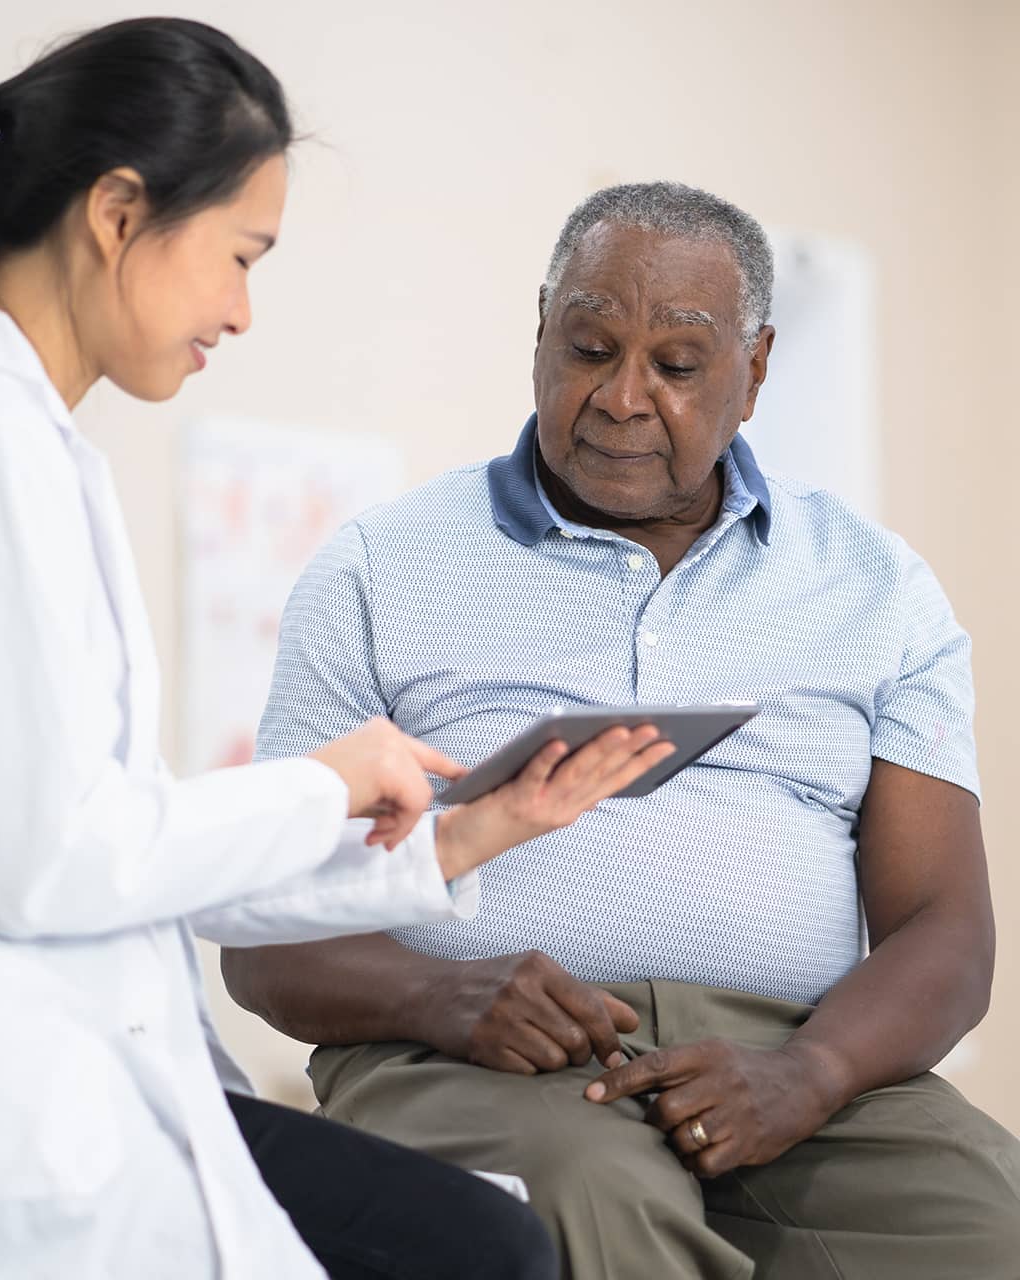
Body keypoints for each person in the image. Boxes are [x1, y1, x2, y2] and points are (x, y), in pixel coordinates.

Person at [0, 21, 679, 1280]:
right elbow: (48, 858)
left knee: (478, 1238)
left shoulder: (14, 437)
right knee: (479, 1246)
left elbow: (106, 842)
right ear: (118, 214)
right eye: (239, 256)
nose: (240, 311)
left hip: (18, 1054)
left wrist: (460, 835)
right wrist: (328, 779)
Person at [223, 181, 1020, 1279]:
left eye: (677, 366)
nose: (621, 397)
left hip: (789, 1053)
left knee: (989, 1219)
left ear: (755, 371)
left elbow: (945, 929)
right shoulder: (377, 568)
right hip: (462, 1053)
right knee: (594, 1190)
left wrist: (810, 1073)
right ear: (539, 332)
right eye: (588, 346)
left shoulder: (877, 588)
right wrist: (443, 994)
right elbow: (267, 933)